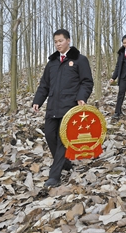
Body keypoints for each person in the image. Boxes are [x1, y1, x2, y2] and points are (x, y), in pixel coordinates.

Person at [32, 29, 94, 188]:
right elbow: (44, 85)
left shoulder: (80, 60)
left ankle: (54, 176)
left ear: (68, 41)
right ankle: (65, 163)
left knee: (62, 141)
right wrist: (38, 101)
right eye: (56, 42)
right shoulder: (52, 63)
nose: (58, 44)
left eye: (60, 41)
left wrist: (81, 97)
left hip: (70, 108)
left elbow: (87, 82)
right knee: (49, 135)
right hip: (53, 107)